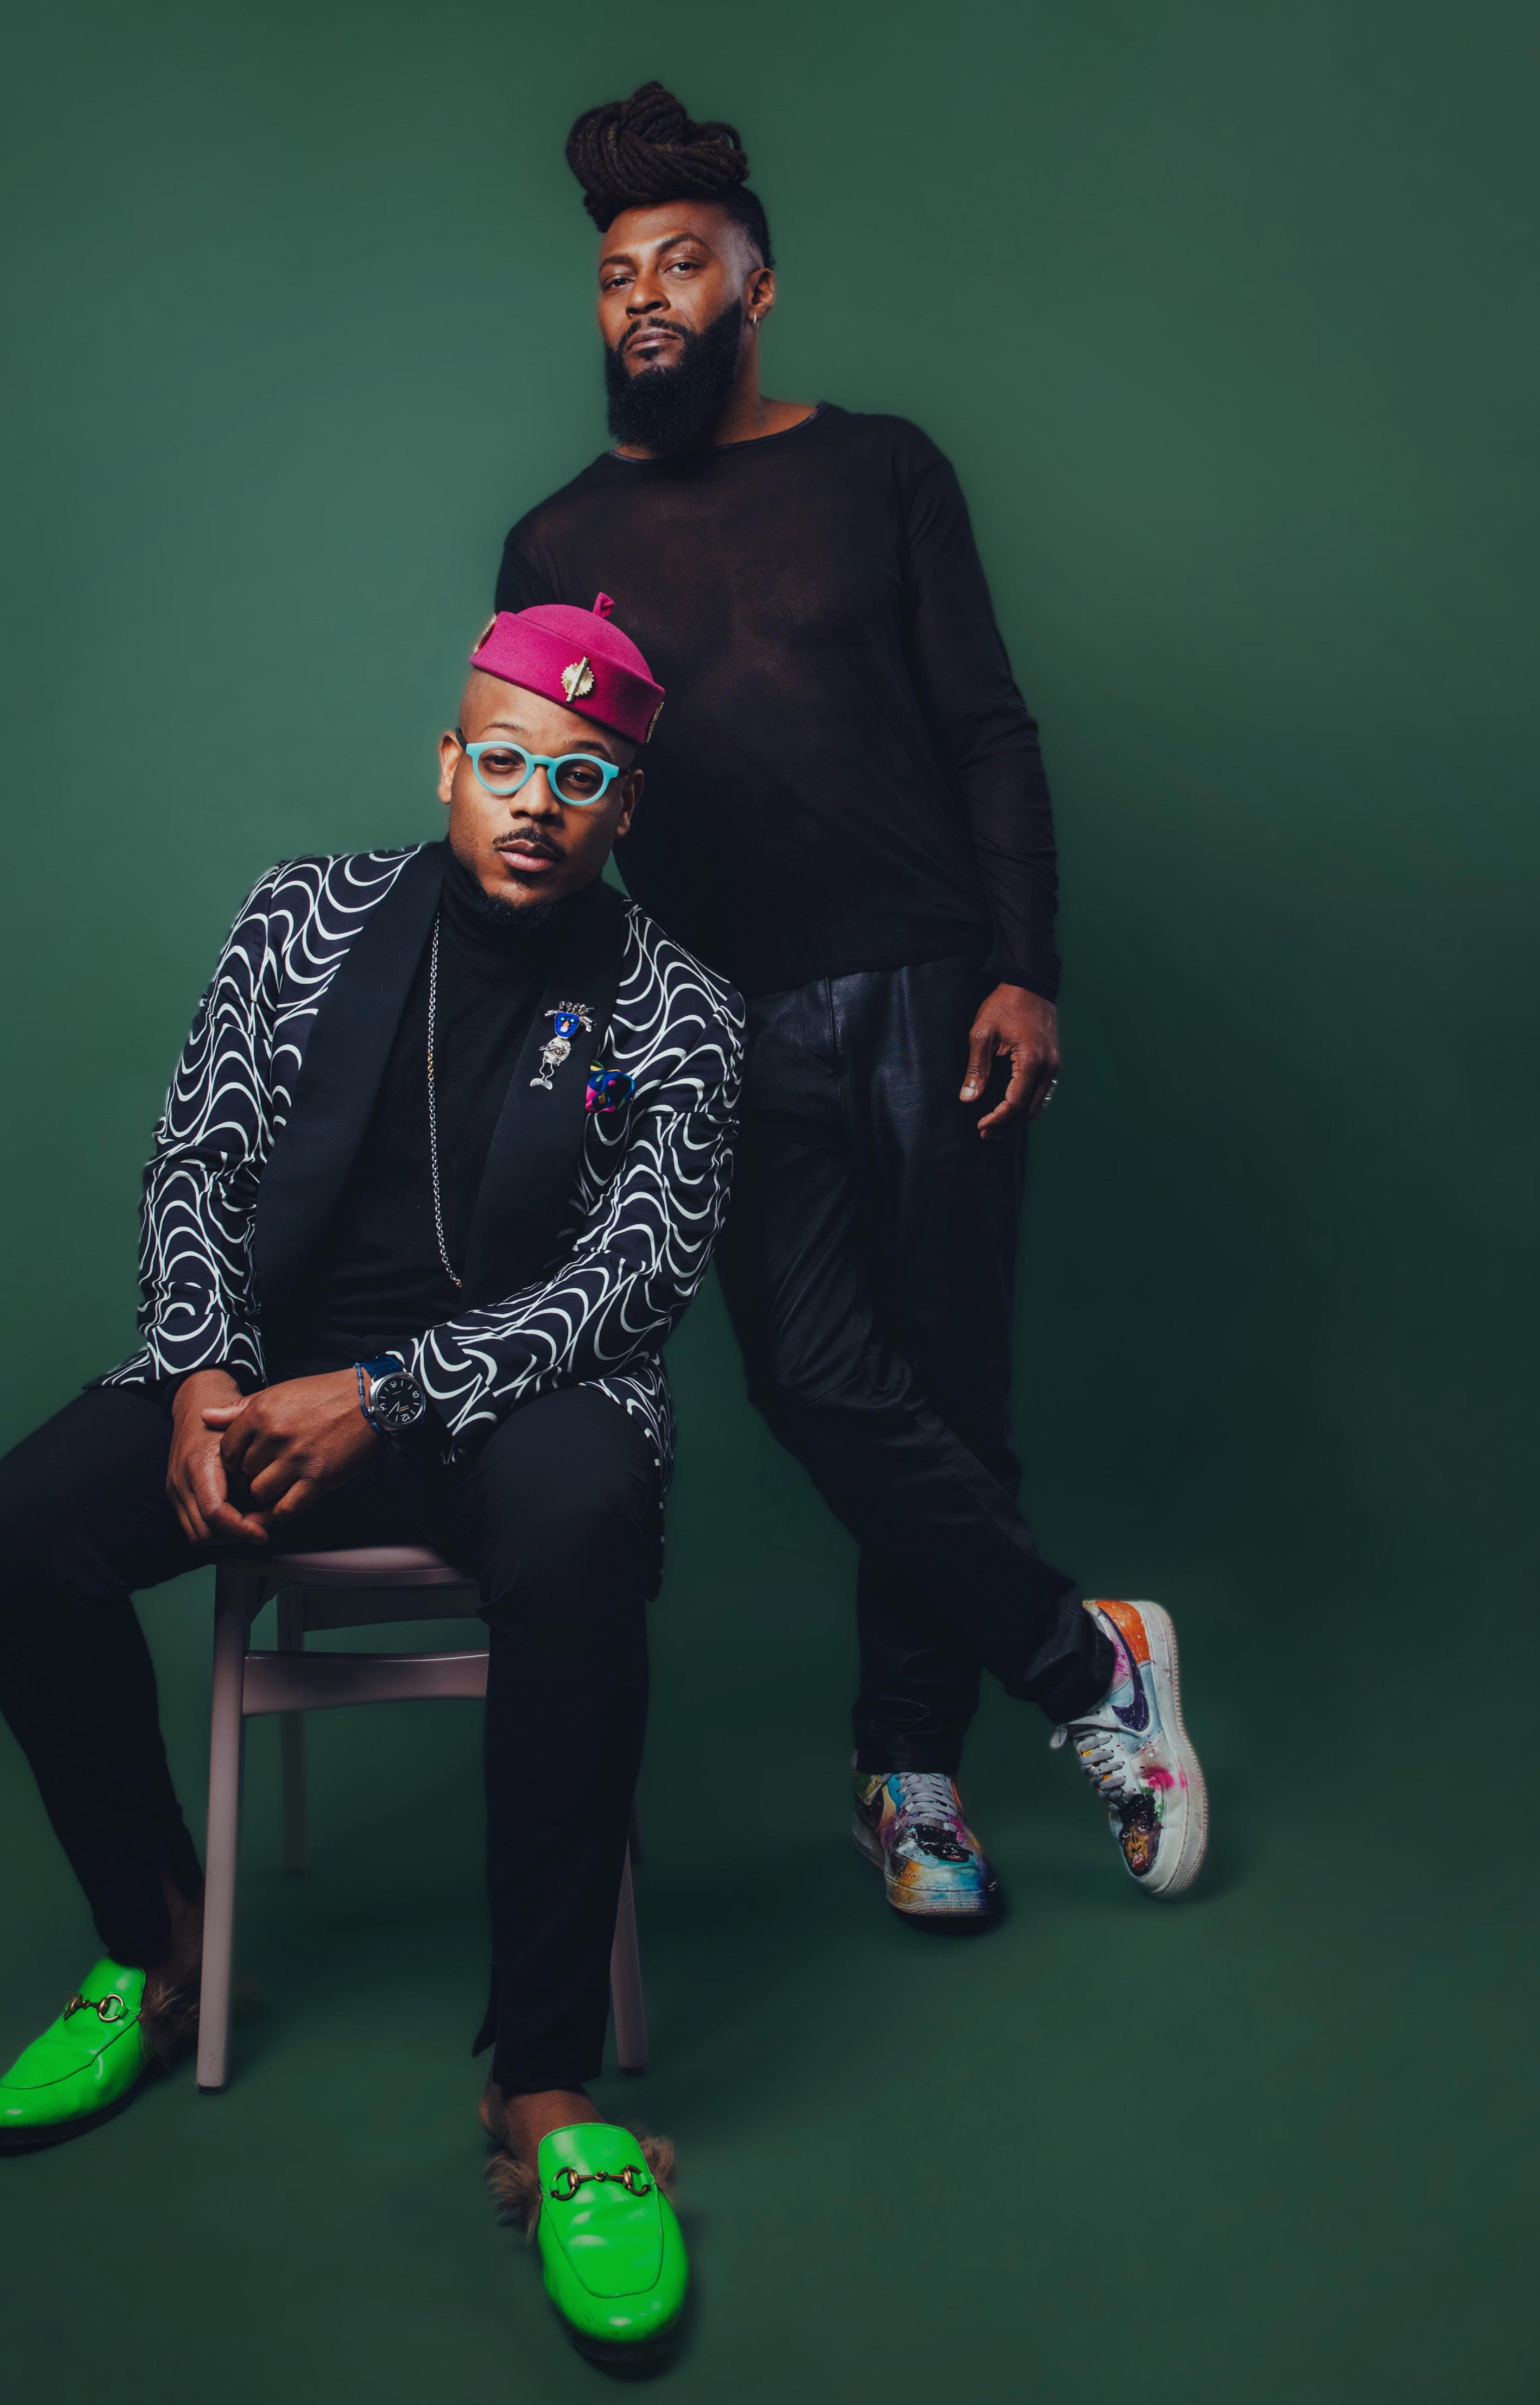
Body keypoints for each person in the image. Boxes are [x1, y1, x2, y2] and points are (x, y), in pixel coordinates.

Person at [0, 593, 738, 2356]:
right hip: (265, 1373)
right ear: (451, 764)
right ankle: (155, 1949)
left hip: (517, 1397)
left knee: (582, 1534)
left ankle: (546, 2093)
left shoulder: (683, 1008)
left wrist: (384, 1395)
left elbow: (633, 1283)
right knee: (16, 1536)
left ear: (624, 808)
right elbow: (199, 1159)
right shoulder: (299, 916)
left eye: (583, 779)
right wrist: (203, 1372)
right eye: (510, 764)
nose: (538, 804)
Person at [494, 82, 1207, 1924]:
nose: (644, 298)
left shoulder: (883, 469)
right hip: (719, 1020)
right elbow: (547, 812)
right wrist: (591, 1041)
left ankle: (910, 1773)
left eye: (681, 265)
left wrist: (1023, 964)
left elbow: (986, 725)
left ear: (758, 287)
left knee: (948, 1388)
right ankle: (1089, 1661)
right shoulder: (555, 544)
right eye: (616, 277)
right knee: (819, 1381)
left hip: (928, 988)